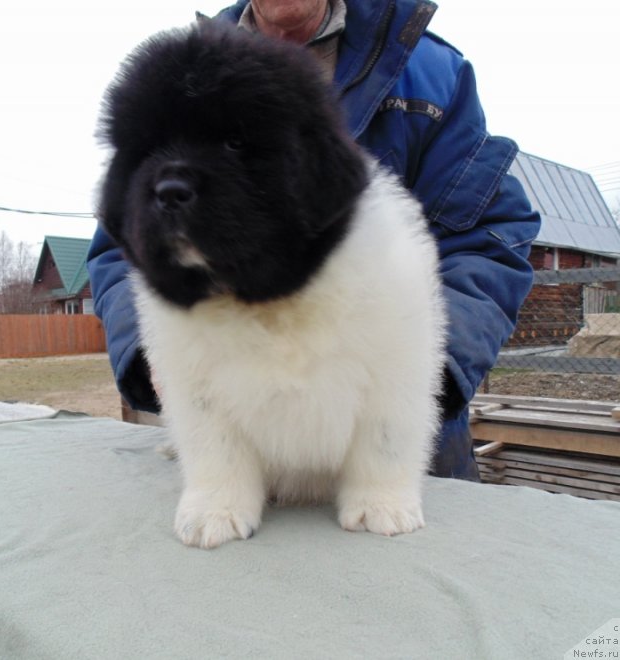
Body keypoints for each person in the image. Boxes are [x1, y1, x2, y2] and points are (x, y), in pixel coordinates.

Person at [86, 0, 541, 481]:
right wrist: (149, 350)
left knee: (398, 543)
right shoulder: (173, 76)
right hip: (235, 441)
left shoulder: (427, 75)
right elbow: (122, 239)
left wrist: (427, 368)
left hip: (386, 440)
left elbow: (490, 236)